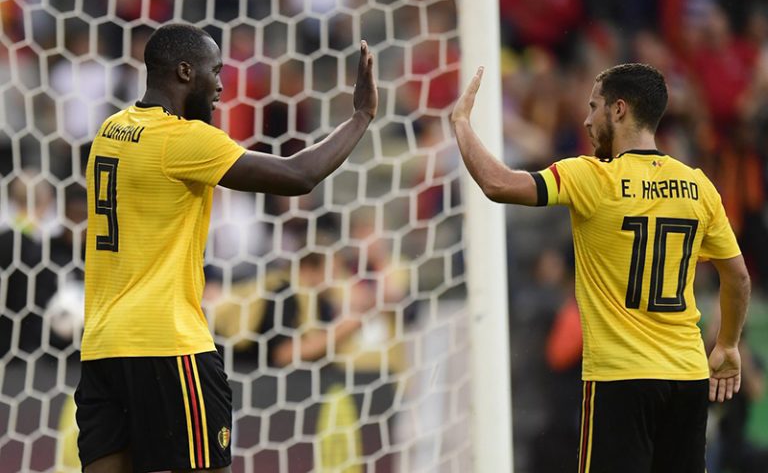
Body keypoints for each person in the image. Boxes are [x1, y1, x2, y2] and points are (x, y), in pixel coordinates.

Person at [76, 23, 377, 473]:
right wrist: (360, 117)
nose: (220, 85)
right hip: (168, 342)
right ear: (184, 72)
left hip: (103, 345)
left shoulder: (110, 130)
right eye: (214, 71)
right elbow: (299, 175)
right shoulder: (181, 140)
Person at [451, 63, 751, 472]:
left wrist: (461, 124)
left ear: (619, 109)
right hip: (687, 376)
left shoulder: (591, 177)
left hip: (620, 378)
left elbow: (498, 183)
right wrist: (728, 345)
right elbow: (738, 276)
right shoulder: (698, 186)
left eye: (594, 107)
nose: (587, 120)